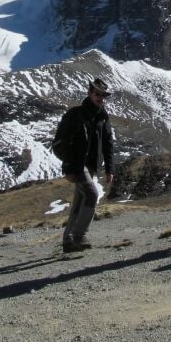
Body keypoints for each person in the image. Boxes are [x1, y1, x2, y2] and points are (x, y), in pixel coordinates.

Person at [52, 77, 115, 253]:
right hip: (77, 165)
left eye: (103, 95)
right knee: (92, 193)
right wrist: (68, 167)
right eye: (97, 94)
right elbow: (64, 142)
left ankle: (68, 241)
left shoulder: (103, 116)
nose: (100, 98)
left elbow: (108, 142)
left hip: (92, 165)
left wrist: (110, 168)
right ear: (89, 93)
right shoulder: (75, 114)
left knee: (80, 201)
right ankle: (80, 236)